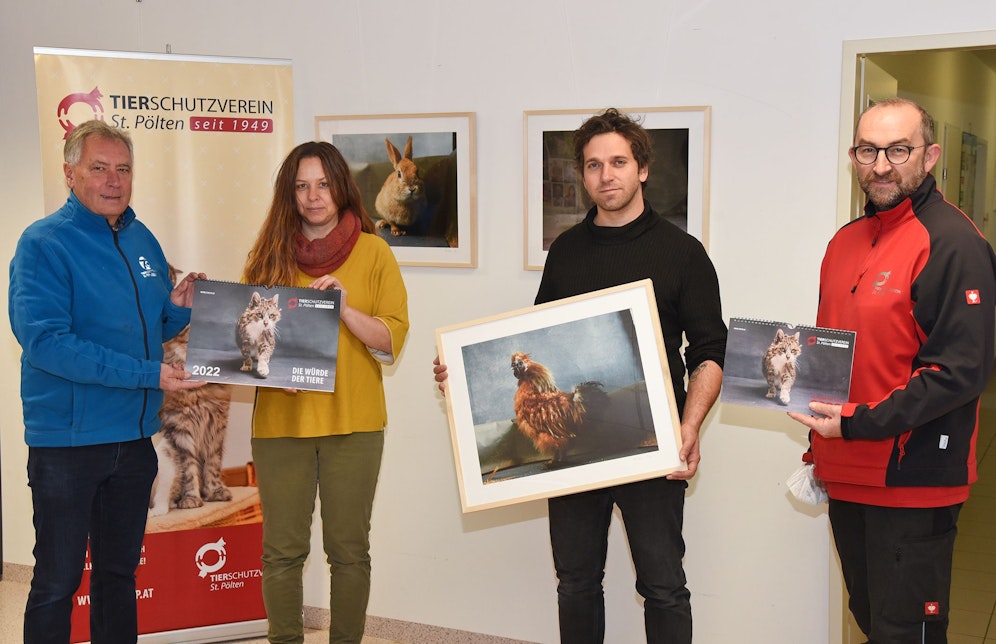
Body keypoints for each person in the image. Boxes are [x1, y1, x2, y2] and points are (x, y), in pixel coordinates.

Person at [433, 108, 726, 643]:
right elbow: (538, 333)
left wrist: (689, 427)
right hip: (573, 456)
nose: (605, 175)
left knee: (663, 586)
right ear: (582, 174)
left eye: (618, 162)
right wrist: (459, 370)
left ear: (642, 169)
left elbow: (710, 352)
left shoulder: (683, 253)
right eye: (593, 165)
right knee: (576, 583)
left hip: (653, 447)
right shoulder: (566, 252)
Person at [788, 97, 996, 643]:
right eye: (867, 150)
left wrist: (854, 423)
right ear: (852, 156)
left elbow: (959, 372)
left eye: (897, 150)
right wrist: (811, 419)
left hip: (912, 481)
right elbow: (836, 352)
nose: (880, 165)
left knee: (909, 634)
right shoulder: (844, 242)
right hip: (846, 471)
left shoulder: (953, 243)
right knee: (873, 623)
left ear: (929, 156)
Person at [8, 119, 205, 643]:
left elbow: (146, 329)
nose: (114, 181)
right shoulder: (43, 244)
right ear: (70, 173)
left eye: (123, 169)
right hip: (68, 446)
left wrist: (177, 311)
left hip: (132, 441)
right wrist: (148, 373)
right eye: (99, 168)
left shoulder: (141, 239)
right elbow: (47, 342)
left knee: (118, 578)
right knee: (57, 580)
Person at [242, 141, 409, 644]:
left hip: (354, 424)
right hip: (281, 424)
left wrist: (343, 308)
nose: (313, 196)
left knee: (349, 551)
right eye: (301, 185)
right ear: (288, 194)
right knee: (282, 552)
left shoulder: (375, 251)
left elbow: (391, 341)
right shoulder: (266, 254)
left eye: (323, 183)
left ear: (341, 186)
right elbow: (249, 343)